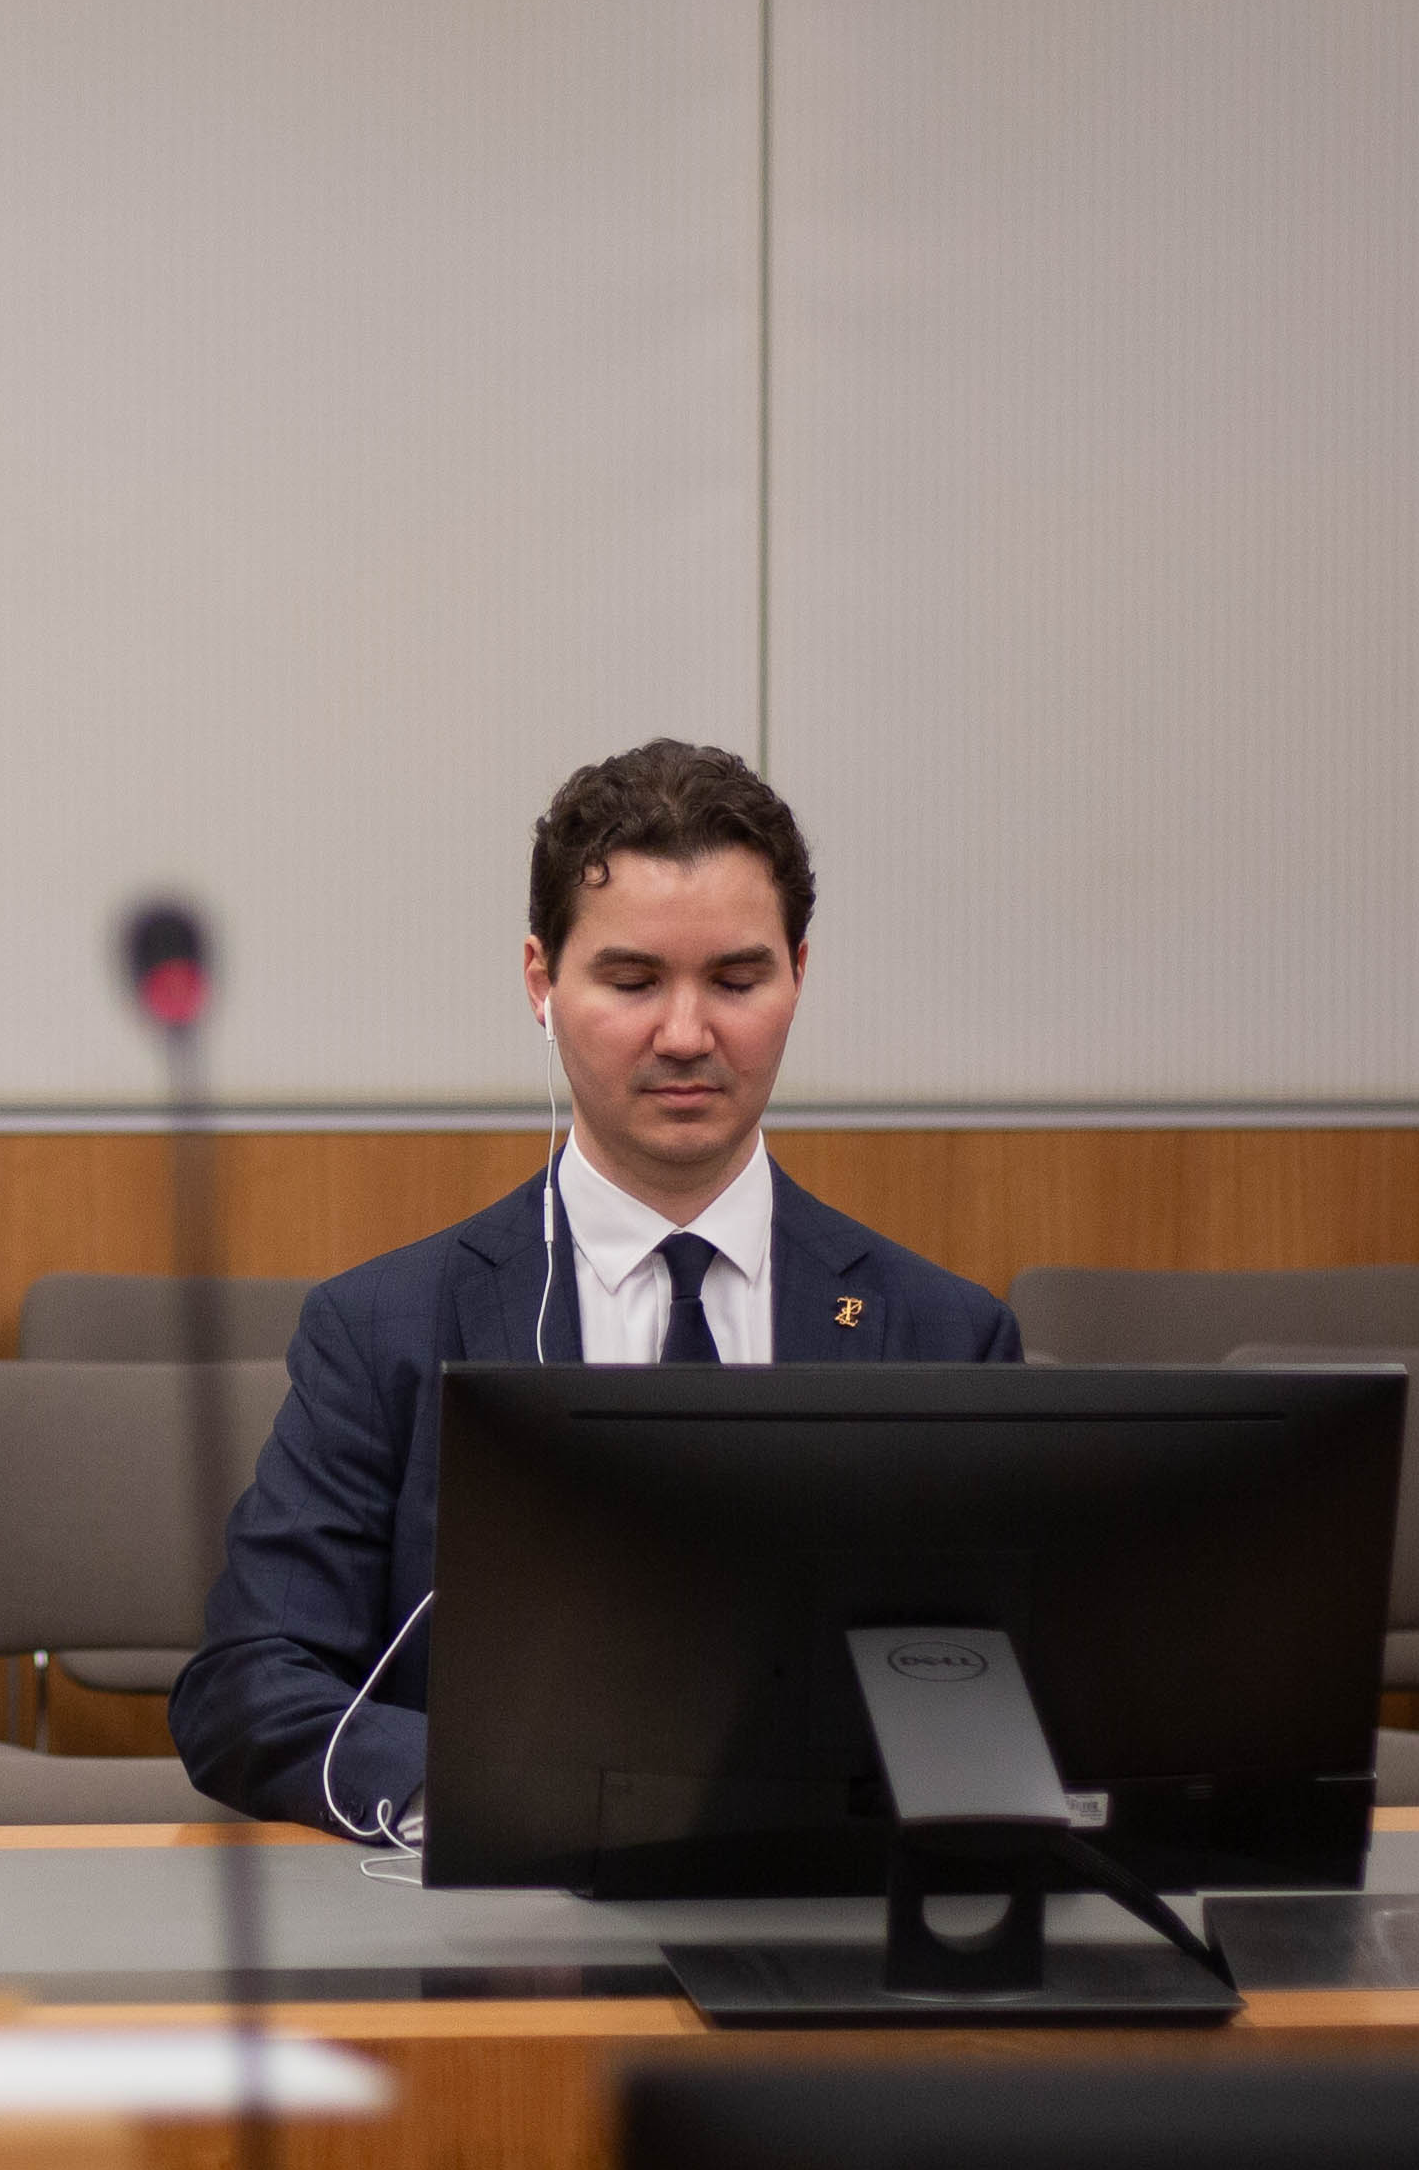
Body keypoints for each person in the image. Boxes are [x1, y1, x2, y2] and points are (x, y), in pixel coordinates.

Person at [169, 739, 1020, 1838]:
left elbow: (1005, 1703)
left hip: (838, 1937)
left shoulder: (942, 1335)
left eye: (737, 978)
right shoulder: (381, 1329)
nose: (685, 1034)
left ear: (799, 974)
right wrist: (493, 1795)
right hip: (499, 1943)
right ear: (541, 980)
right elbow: (248, 1685)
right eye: (631, 981)